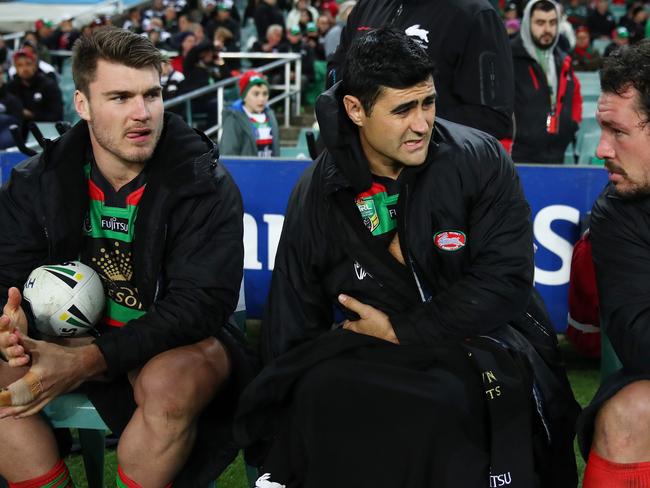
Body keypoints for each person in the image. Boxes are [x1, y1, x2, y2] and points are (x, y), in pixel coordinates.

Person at [234, 27, 579, 488]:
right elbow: (292, 313)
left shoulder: (481, 159)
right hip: (368, 351)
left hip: (486, 343)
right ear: (355, 109)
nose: (422, 124)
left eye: (428, 103)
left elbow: (505, 283)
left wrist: (401, 329)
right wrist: (271, 420)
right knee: (317, 392)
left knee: (441, 405)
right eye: (403, 109)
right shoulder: (317, 191)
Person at [0, 26, 254, 487]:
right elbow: (6, 275)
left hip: (167, 344)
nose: (142, 114)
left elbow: (198, 308)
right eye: (119, 97)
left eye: (152, 95)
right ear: (82, 104)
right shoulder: (37, 180)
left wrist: (91, 357)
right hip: (60, 341)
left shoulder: (203, 183)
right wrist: (8, 320)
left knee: (171, 386)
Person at [576, 38, 650, 488]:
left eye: (618, 132)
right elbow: (640, 338)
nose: (602, 149)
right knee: (627, 412)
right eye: (602, 129)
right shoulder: (615, 213)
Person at [329, 0, 515, 140]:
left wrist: (408, 124)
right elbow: (336, 76)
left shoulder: (475, 14)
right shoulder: (368, 5)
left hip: (433, 177)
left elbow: (493, 116)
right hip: (359, 173)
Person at [510, 0, 582, 164]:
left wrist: (571, 126)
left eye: (552, 22)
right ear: (528, 23)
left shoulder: (564, 59)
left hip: (556, 154)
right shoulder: (509, 58)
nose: (547, 29)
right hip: (518, 157)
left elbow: (576, 96)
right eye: (540, 23)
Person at [220, 70, 280, 157]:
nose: (261, 99)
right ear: (244, 96)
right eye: (256, 94)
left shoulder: (270, 116)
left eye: (265, 94)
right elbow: (228, 153)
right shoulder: (234, 118)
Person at [7, 48, 63, 136]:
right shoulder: (11, 87)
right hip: (19, 132)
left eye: (28, 64)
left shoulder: (48, 85)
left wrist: (32, 115)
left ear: (35, 65)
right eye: (20, 65)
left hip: (45, 132)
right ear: (16, 68)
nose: (24, 68)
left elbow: (57, 115)